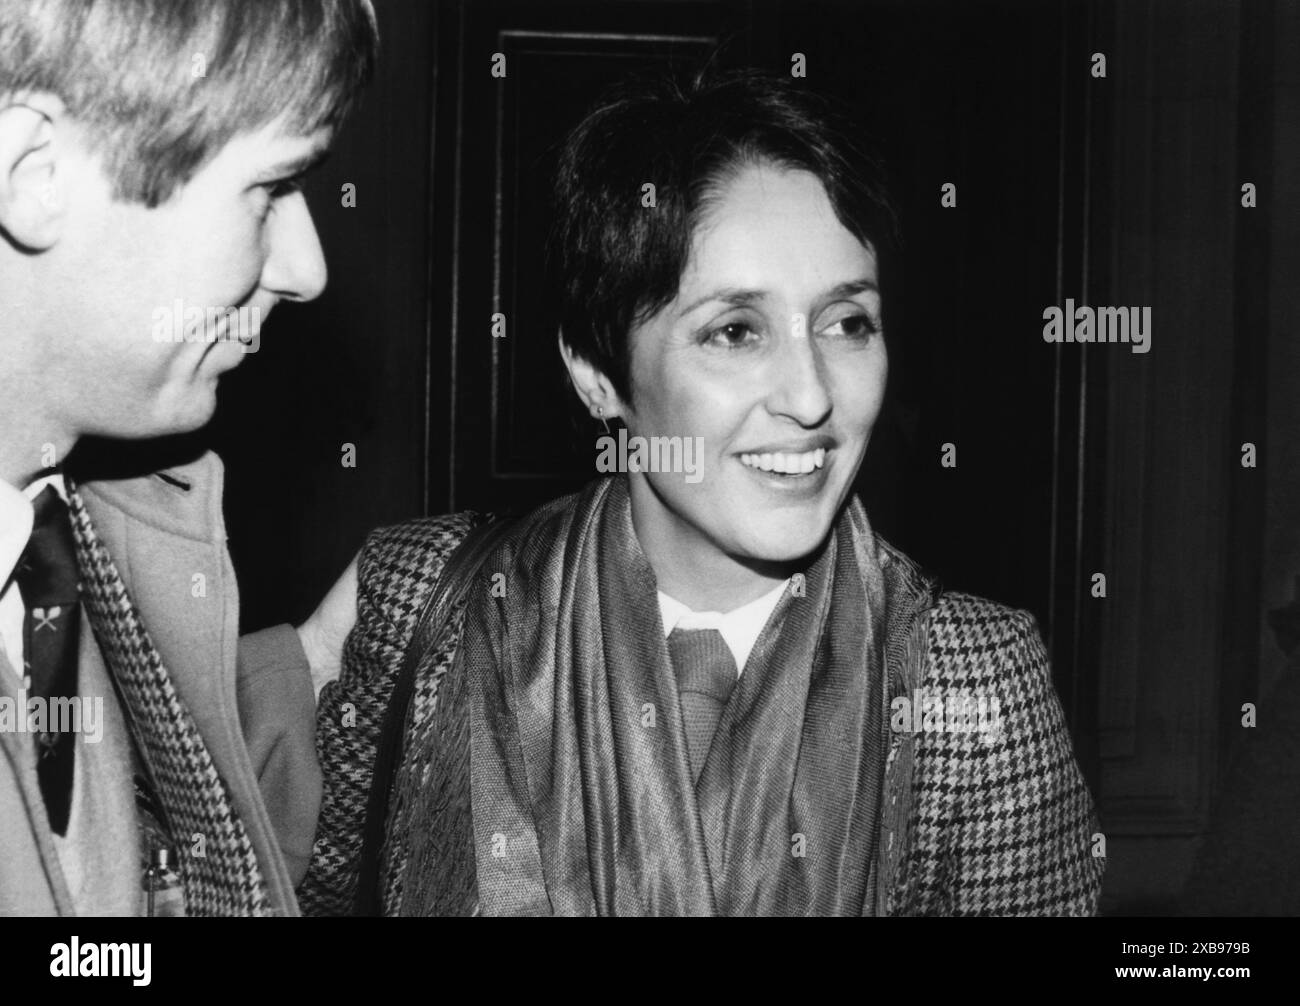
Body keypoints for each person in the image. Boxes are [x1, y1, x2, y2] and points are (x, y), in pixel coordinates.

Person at [304, 68, 1104, 916]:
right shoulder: (429, 599)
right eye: (734, 331)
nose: (811, 397)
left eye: (846, 323)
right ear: (596, 374)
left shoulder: (971, 683)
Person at [0, 0, 376, 916]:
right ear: (35, 173)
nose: (306, 267)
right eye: (270, 188)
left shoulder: (71, 537)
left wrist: (316, 662)